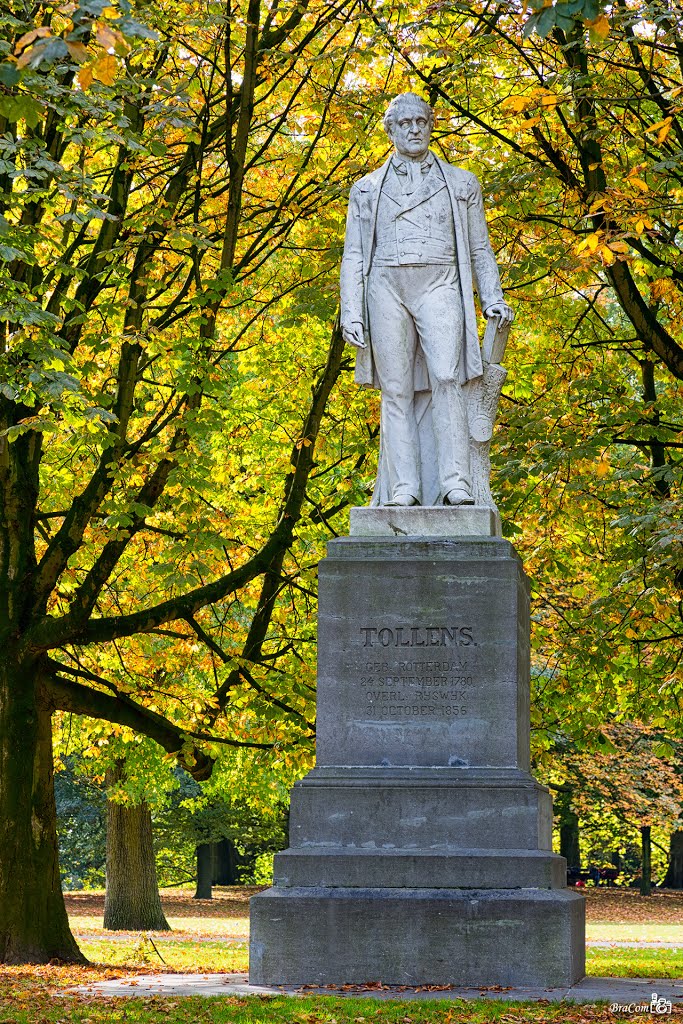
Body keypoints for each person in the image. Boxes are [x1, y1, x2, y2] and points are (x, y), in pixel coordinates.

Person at [340, 93, 513, 507]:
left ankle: (456, 482)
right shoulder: (365, 189)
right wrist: (351, 312)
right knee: (396, 389)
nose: (415, 129)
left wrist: (492, 297)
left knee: (447, 378)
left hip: (440, 280)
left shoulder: (460, 182)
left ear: (431, 125)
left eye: (421, 121)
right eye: (405, 123)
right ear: (391, 130)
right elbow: (355, 253)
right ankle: (404, 487)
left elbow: (478, 248)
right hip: (386, 285)